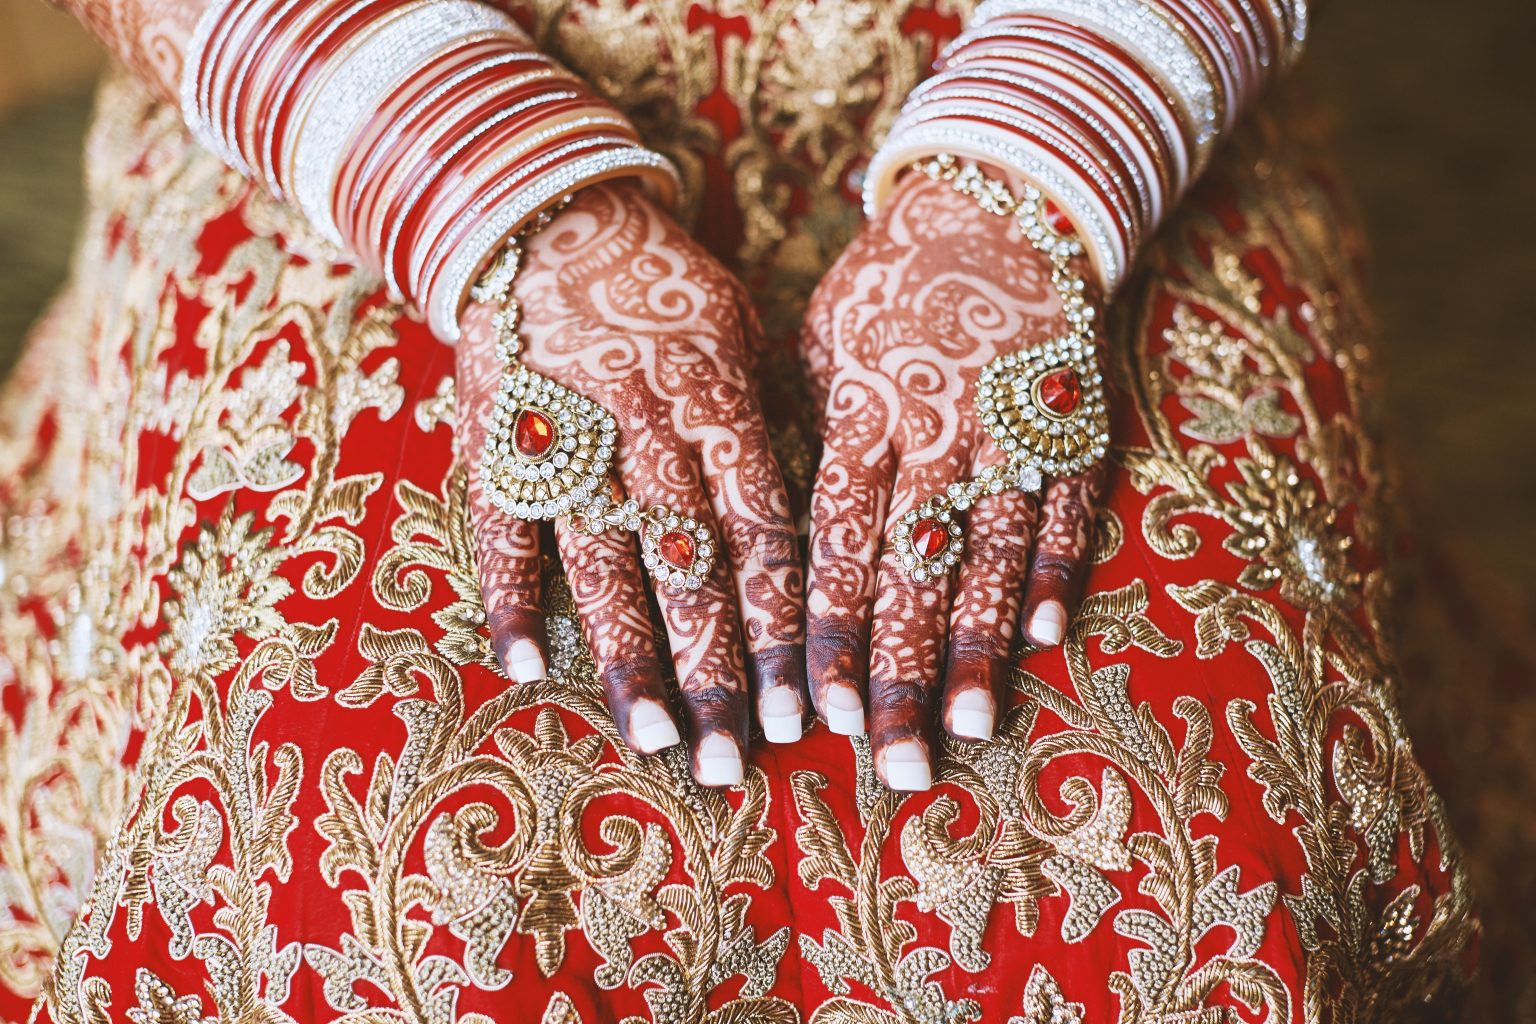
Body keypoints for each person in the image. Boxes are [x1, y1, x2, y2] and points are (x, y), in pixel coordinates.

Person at [0, 0, 1477, 1020]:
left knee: (1209, 822)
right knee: (318, 851)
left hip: (1070, 45)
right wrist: (485, 190)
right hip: (366, 64)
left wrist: (1035, 173)